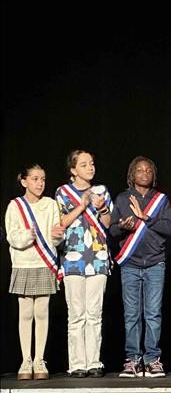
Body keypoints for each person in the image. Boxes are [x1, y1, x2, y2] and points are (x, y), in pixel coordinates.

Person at [110, 156, 171, 378]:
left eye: (148, 170)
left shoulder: (161, 200)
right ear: (132, 174)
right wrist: (122, 226)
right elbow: (112, 231)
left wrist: (146, 217)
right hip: (130, 263)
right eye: (139, 170)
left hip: (155, 262)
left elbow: (169, 228)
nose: (144, 173)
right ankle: (133, 360)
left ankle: (152, 359)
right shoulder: (122, 198)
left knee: (153, 314)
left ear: (153, 174)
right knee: (131, 315)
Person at [55, 150, 113, 378]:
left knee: (94, 313)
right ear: (73, 170)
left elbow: (108, 223)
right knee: (76, 314)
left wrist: (101, 207)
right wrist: (82, 205)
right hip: (72, 259)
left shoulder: (102, 191)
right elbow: (61, 222)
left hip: (97, 257)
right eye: (84, 164)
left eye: (92, 163)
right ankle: (77, 363)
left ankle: (94, 362)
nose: (90, 168)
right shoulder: (63, 192)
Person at [5, 164, 65, 380]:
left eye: (43, 179)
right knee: (25, 313)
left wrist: (57, 236)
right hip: (23, 263)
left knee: (42, 312)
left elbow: (56, 237)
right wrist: (27, 236)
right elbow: (12, 235)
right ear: (24, 181)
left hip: (44, 263)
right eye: (35, 179)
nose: (40, 183)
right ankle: (25, 360)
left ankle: (39, 359)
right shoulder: (15, 206)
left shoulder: (50, 205)